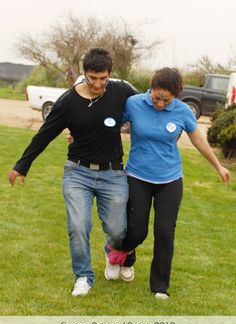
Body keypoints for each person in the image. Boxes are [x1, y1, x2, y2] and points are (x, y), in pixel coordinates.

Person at [8, 48, 137, 296]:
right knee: (78, 226)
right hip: (78, 173)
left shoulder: (120, 91)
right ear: (84, 74)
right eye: (93, 78)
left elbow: (146, 106)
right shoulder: (68, 102)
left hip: (113, 173)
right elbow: (44, 134)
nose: (99, 84)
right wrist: (22, 165)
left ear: (110, 74)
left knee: (117, 230)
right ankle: (83, 276)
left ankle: (114, 254)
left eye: (103, 78)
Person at [107, 67, 231, 299]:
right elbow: (111, 126)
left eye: (167, 99)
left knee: (165, 231)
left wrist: (218, 165)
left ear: (176, 95)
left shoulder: (183, 111)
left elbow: (198, 140)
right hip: (137, 176)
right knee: (136, 230)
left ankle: (160, 286)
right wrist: (80, 135)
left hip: (170, 180)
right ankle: (120, 254)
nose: (161, 103)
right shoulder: (134, 103)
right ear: (151, 89)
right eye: (157, 98)